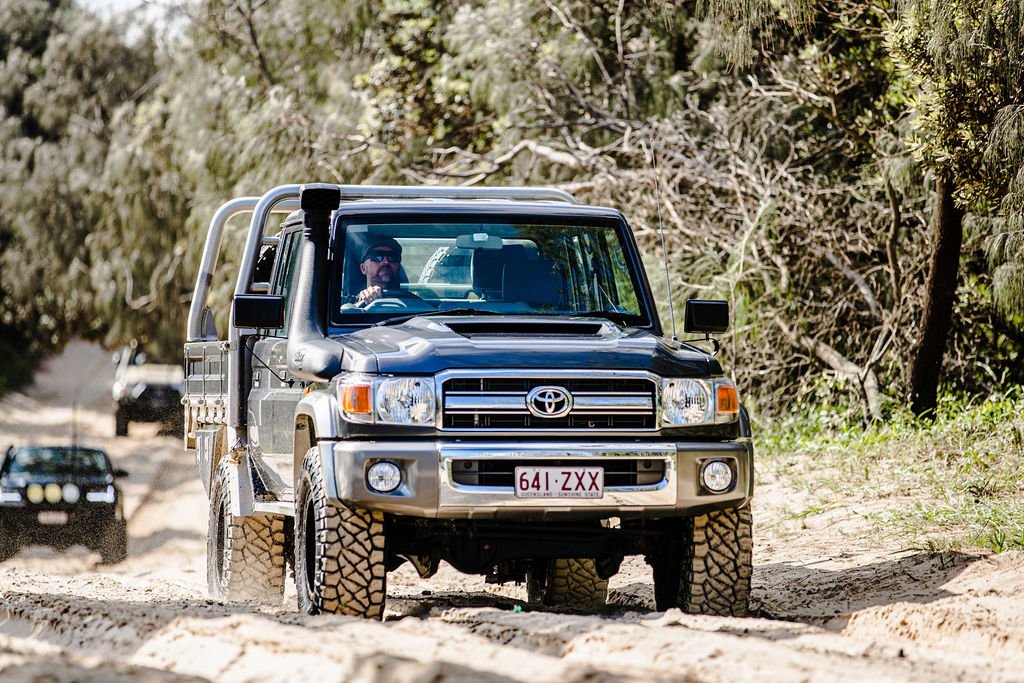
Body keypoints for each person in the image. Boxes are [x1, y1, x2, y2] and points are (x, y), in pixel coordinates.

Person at [355, 236, 404, 307]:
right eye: (377, 256)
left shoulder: (415, 305)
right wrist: (362, 301)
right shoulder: (350, 308)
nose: (386, 261)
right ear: (363, 268)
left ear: (398, 267)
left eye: (392, 257)